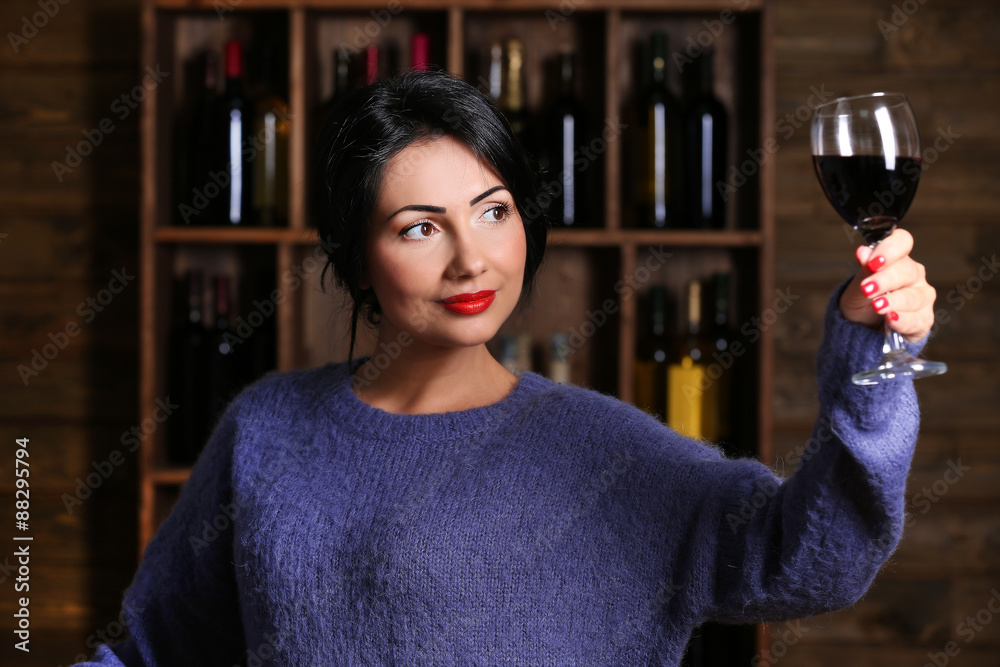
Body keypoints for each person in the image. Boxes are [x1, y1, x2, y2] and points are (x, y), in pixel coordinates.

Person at [79, 70, 938, 666]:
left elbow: (812, 559)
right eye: (420, 226)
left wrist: (869, 357)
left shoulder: (608, 454)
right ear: (354, 256)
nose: (472, 260)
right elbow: (151, 652)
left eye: (493, 212)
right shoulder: (266, 428)